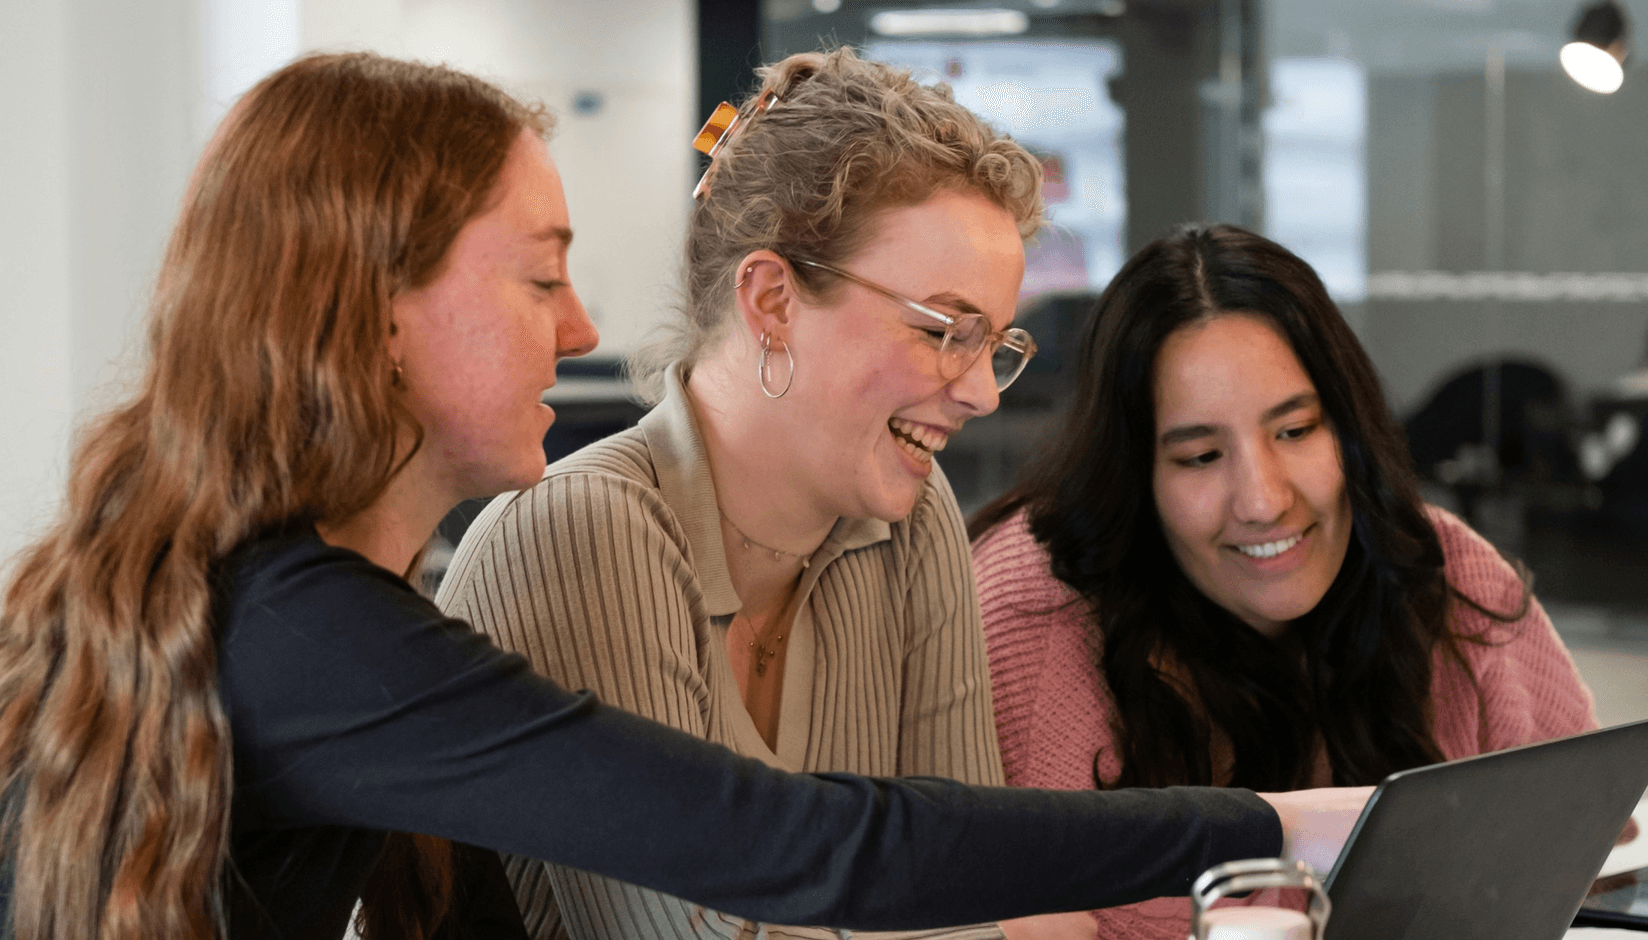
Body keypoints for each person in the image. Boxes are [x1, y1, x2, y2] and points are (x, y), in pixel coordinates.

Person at [0, 55, 1367, 940]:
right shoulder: (312, 631)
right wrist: (1265, 824)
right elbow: (792, 850)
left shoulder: (294, 609)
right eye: (539, 277)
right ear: (378, 310)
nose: (583, 324)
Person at [436, 46, 1089, 940]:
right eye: (945, 331)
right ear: (773, 298)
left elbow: (967, 874)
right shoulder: (579, 531)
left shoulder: (911, 514)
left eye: (997, 344)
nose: (980, 390)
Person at [968, 223, 1597, 940]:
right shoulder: (1034, 610)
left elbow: (1591, 848)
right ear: (1133, 477)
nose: (1263, 500)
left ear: (1350, 430)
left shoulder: (1439, 567)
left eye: (1296, 431)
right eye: (1201, 456)